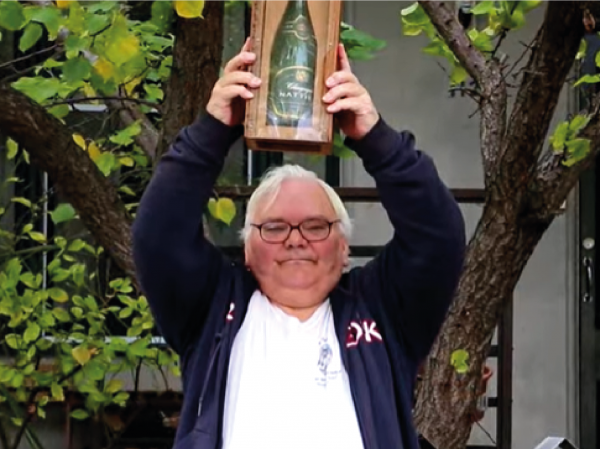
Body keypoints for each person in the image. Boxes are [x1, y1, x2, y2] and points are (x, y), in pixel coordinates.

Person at [132, 39, 466, 449]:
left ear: (344, 248)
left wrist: (374, 138)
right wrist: (213, 130)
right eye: (274, 228)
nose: (295, 241)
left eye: (314, 226)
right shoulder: (212, 309)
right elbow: (158, 236)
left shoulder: (382, 310)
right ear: (247, 249)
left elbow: (438, 236)